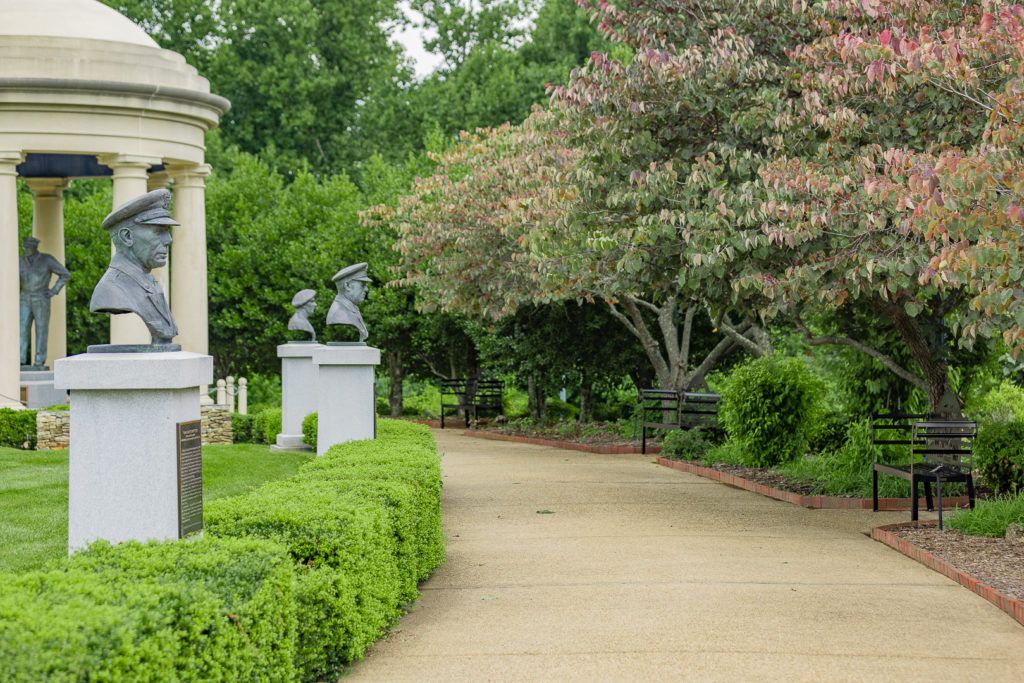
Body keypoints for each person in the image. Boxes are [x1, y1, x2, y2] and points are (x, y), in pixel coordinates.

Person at [90, 189, 178, 345]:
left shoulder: (148, 282)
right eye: (158, 231)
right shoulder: (111, 289)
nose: (168, 240)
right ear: (127, 237)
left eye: (167, 231)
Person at [19, 235, 70, 368]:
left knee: (41, 329)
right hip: (24, 298)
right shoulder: (19, 261)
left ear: (35, 247)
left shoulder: (46, 260)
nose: (26, 250)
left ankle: (39, 361)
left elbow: (65, 274)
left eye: (28, 247)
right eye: (25, 247)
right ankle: (20, 359)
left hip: (41, 299)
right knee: (22, 329)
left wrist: (54, 290)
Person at [326, 262, 371, 342]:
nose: (366, 289)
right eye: (363, 285)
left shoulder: (349, 309)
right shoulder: (339, 314)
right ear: (347, 285)